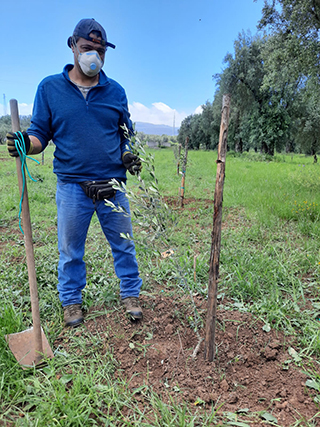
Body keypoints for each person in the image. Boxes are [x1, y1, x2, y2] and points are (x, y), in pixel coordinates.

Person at [6, 18, 143, 327]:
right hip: (72, 187)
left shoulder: (115, 92)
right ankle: (71, 302)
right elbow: (41, 135)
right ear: (72, 45)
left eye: (99, 51)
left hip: (113, 185)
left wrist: (127, 153)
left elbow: (126, 133)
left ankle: (131, 294)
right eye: (86, 48)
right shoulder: (50, 88)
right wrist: (25, 143)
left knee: (124, 243)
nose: (93, 55)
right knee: (70, 250)